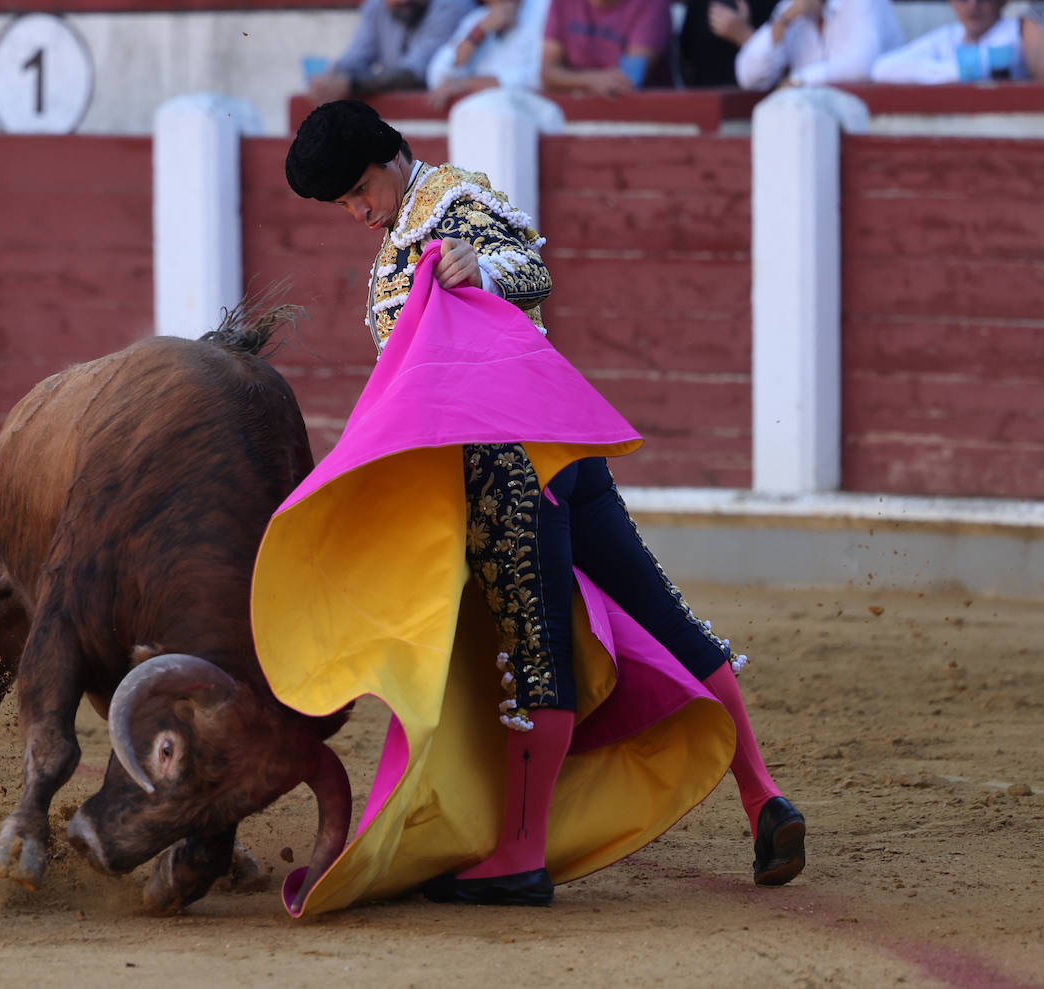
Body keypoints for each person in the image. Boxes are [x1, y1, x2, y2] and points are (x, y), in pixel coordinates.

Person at [282, 99, 806, 906]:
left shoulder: (454, 202)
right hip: (554, 448)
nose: (358, 211)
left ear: (391, 155)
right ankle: (763, 797)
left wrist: (477, 267)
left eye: (360, 191)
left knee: (535, 646)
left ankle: (520, 857)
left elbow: (529, 268)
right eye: (343, 205)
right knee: (658, 613)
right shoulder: (404, 228)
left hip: (508, 467)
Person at [308, 0, 478, 103]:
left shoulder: (451, 5)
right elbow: (354, 59)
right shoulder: (376, 7)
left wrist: (351, 84)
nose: (405, 0)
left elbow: (413, 75)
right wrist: (330, 80)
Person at [734, 0, 902, 90]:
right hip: (812, 127)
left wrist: (799, 80)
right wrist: (783, 21)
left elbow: (862, 65)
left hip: (872, 121)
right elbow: (749, 77)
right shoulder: (789, 8)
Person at [424, 0, 554, 109]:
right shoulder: (478, 18)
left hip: (531, 119)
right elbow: (438, 76)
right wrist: (479, 32)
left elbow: (540, 77)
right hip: (480, 120)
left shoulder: (545, 10)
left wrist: (466, 84)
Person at [539, 0, 675, 97]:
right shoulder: (562, 3)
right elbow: (547, 72)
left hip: (641, 117)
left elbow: (627, 80)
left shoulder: (652, 4)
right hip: (575, 115)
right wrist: (591, 80)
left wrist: (571, 80)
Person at [872, 0, 1029, 83]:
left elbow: (996, 65)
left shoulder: (1020, 33)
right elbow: (883, 69)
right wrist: (958, 72)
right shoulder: (949, 35)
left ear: (1003, 1)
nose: (973, 6)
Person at [678, 0, 780, 87]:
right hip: (704, 98)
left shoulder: (777, 5)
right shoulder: (699, 5)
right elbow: (687, 60)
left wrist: (745, 36)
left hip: (760, 99)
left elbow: (784, 67)